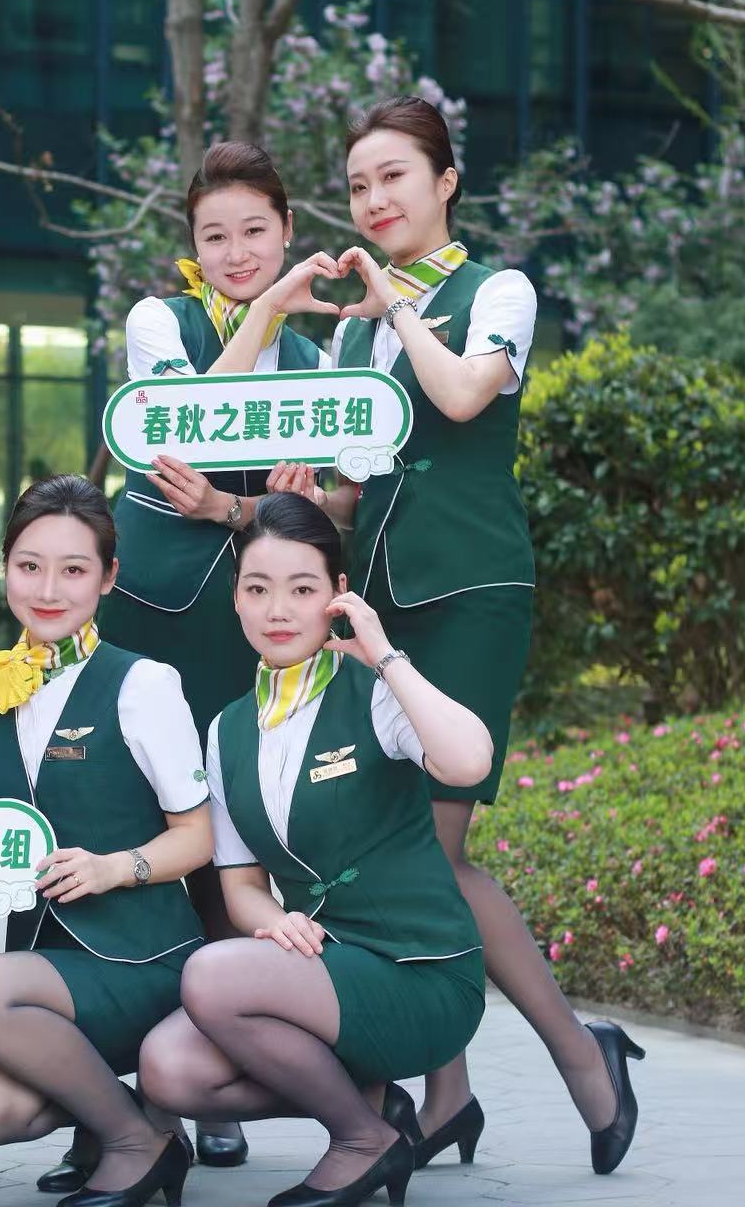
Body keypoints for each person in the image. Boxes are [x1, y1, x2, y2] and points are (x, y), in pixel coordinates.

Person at [258, 96, 644, 1174]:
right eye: (358, 185)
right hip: (376, 601)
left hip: (472, 589)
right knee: (398, 849)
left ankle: (580, 1056)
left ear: (445, 182)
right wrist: (305, 496)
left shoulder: (496, 291)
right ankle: (450, 1092)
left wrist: (394, 304)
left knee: (435, 846)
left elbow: (466, 396)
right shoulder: (350, 332)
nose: (374, 199)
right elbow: (354, 488)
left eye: (394, 176)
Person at [137, 493, 499, 1207]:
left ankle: (361, 1141)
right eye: (257, 589)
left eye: (301, 590)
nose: (277, 610)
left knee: (210, 975)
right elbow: (241, 886)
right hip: (321, 969)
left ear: (337, 594)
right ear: (235, 598)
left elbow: (468, 763)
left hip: (420, 973)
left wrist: (384, 655)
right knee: (168, 1069)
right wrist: (273, 922)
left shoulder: (375, 693)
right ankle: (368, 1109)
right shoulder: (228, 730)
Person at [93, 140, 334, 1178]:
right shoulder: (162, 321)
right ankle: (112, 1096)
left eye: (255, 233)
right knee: (132, 829)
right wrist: (269, 308)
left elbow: (340, 500)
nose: (237, 253)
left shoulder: (323, 364)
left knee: (230, 841)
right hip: (150, 614)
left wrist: (260, 504)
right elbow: (178, 422)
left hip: (255, 622)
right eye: (215, 236)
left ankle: (210, 1071)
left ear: (288, 229)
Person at [0, 474, 212, 1207]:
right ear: (4, 567)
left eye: (73, 569)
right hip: (39, 971)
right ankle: (127, 1120)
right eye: (29, 566)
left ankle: (133, 1143)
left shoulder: (143, 684)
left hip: (143, 960)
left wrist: (115, 868)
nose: (47, 589)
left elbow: (199, 836)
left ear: (108, 577)